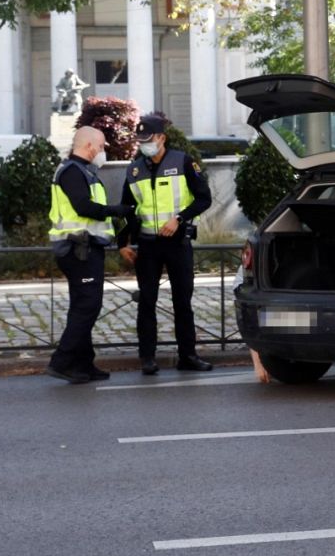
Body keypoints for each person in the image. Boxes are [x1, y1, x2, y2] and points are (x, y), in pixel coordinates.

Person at [117, 115, 214, 375]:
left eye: (148, 140)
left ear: (161, 138)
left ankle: (188, 356)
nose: (143, 145)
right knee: (146, 301)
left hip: (177, 243)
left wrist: (180, 218)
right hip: (148, 246)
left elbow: (204, 199)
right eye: (140, 141)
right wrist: (122, 242)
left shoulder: (183, 162)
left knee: (182, 302)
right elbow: (127, 209)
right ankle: (147, 358)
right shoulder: (134, 169)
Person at [47, 127, 135, 384]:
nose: (103, 151)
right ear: (89, 146)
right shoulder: (72, 172)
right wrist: (116, 210)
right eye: (102, 146)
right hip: (78, 249)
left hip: (86, 248)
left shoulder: (84, 171)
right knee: (88, 306)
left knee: (82, 306)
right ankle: (61, 361)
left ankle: (83, 364)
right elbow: (83, 207)